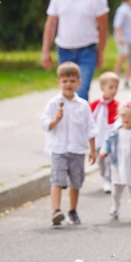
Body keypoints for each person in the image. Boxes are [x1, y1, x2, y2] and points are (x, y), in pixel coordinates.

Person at [41, 0, 109, 100]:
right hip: (64, 51)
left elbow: (103, 27)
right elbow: (50, 25)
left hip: (87, 52)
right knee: (66, 92)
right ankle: (67, 121)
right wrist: (45, 51)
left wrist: (100, 53)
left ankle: (81, 122)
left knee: (82, 91)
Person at [40, 62, 97, 226]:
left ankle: (72, 210)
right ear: (59, 82)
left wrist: (92, 150)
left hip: (77, 150)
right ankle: (56, 210)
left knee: (76, 182)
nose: (68, 84)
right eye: (65, 81)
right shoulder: (53, 104)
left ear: (79, 82)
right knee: (57, 180)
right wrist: (55, 120)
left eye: (72, 81)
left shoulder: (83, 106)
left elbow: (90, 129)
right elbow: (44, 124)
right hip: (59, 149)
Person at [90, 71, 120, 193]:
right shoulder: (95, 104)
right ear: (102, 88)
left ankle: (109, 180)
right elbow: (88, 119)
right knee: (101, 162)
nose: (114, 90)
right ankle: (104, 177)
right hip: (98, 140)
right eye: (111, 87)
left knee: (110, 161)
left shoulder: (117, 105)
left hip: (111, 140)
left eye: (116, 88)